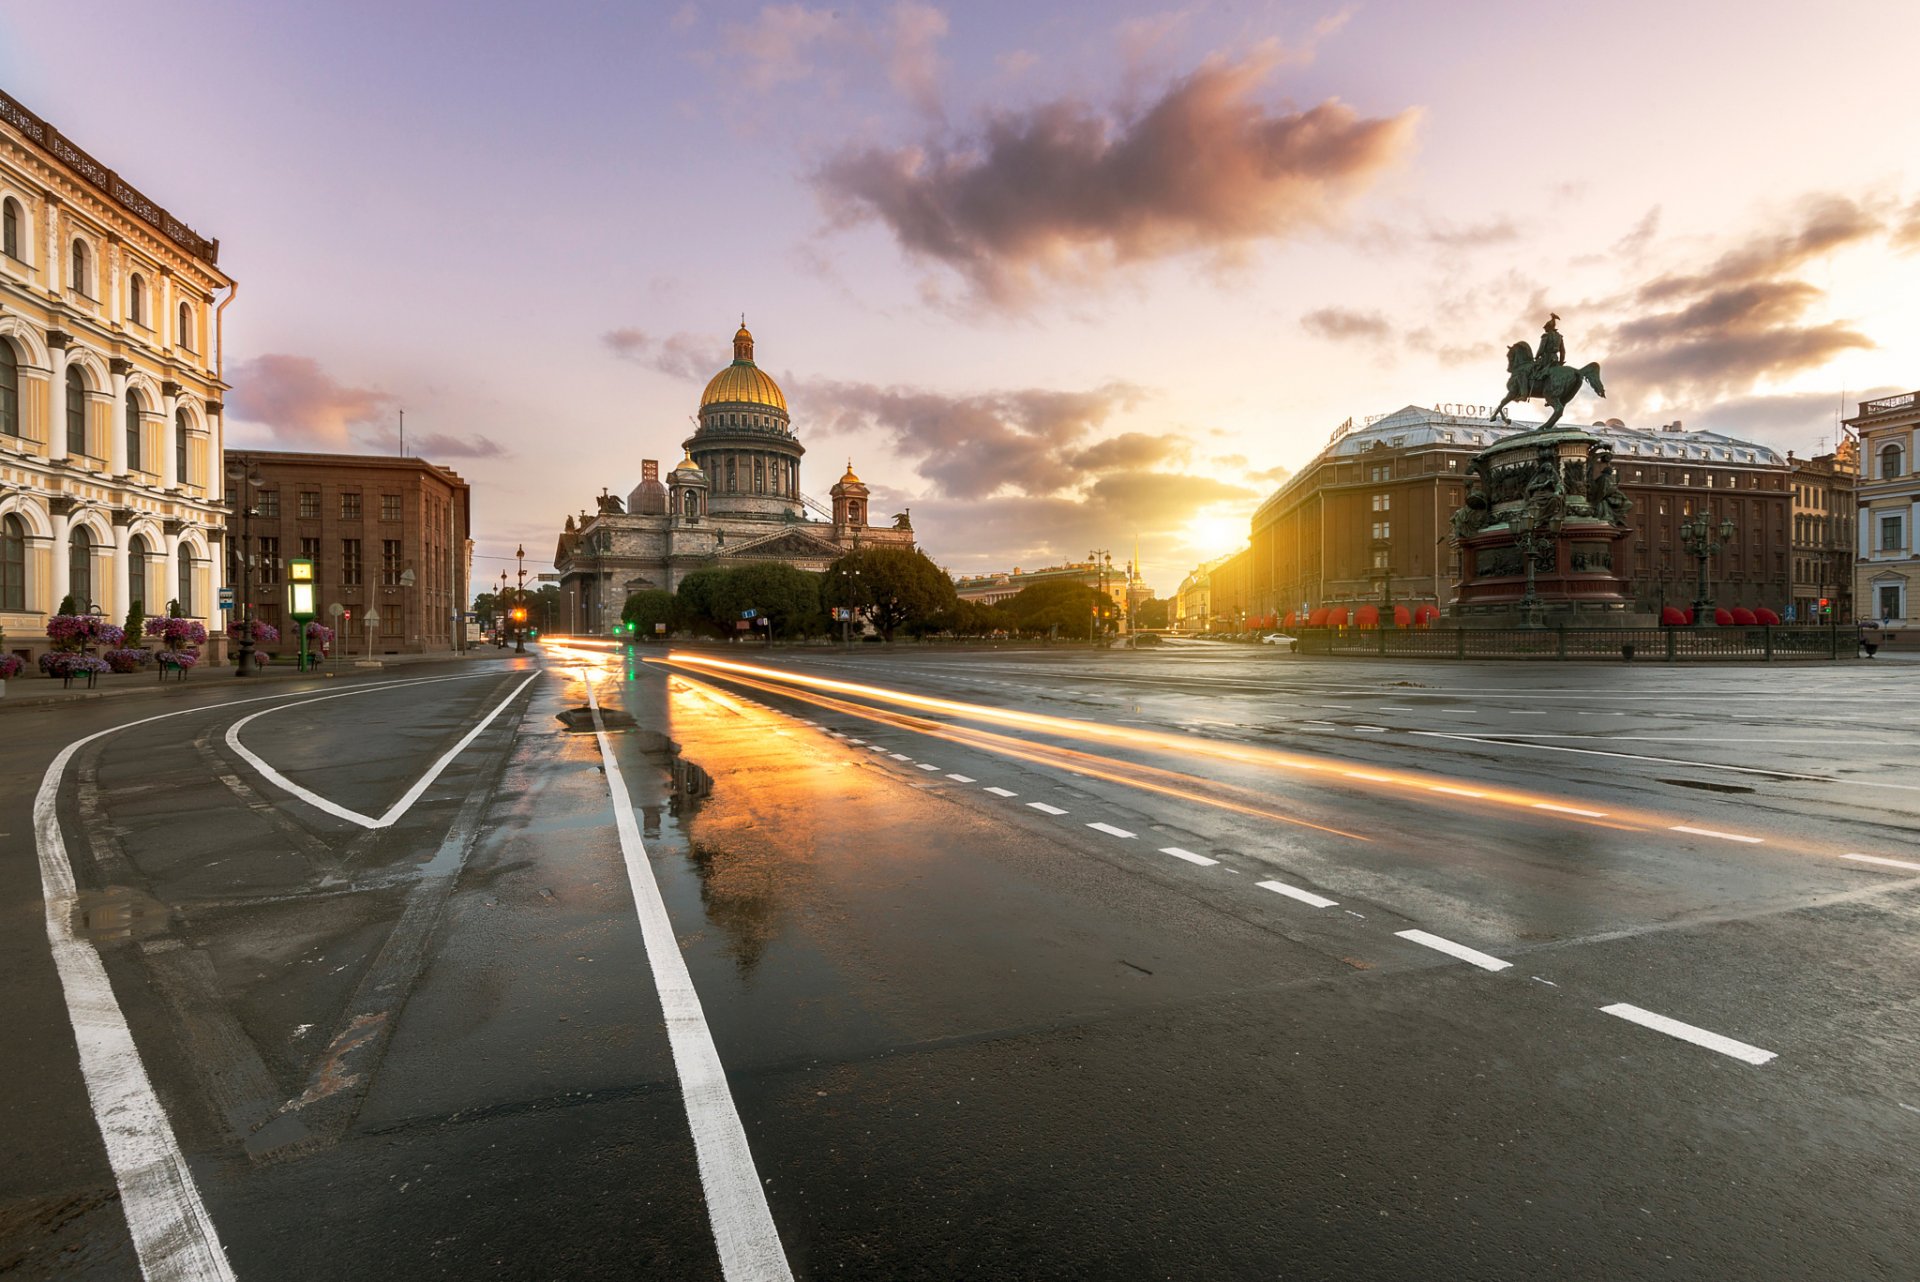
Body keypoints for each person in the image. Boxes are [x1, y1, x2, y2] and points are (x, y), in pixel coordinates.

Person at [1528, 314, 1565, 396]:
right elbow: (1562, 351)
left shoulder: (1545, 336)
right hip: (1555, 359)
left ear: (1549, 327)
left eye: (1545, 327)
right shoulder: (1559, 337)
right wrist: (1561, 362)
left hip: (1546, 358)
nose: (1544, 329)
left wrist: (1536, 356)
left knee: (1533, 369)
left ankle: (1528, 389)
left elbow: (1541, 348)